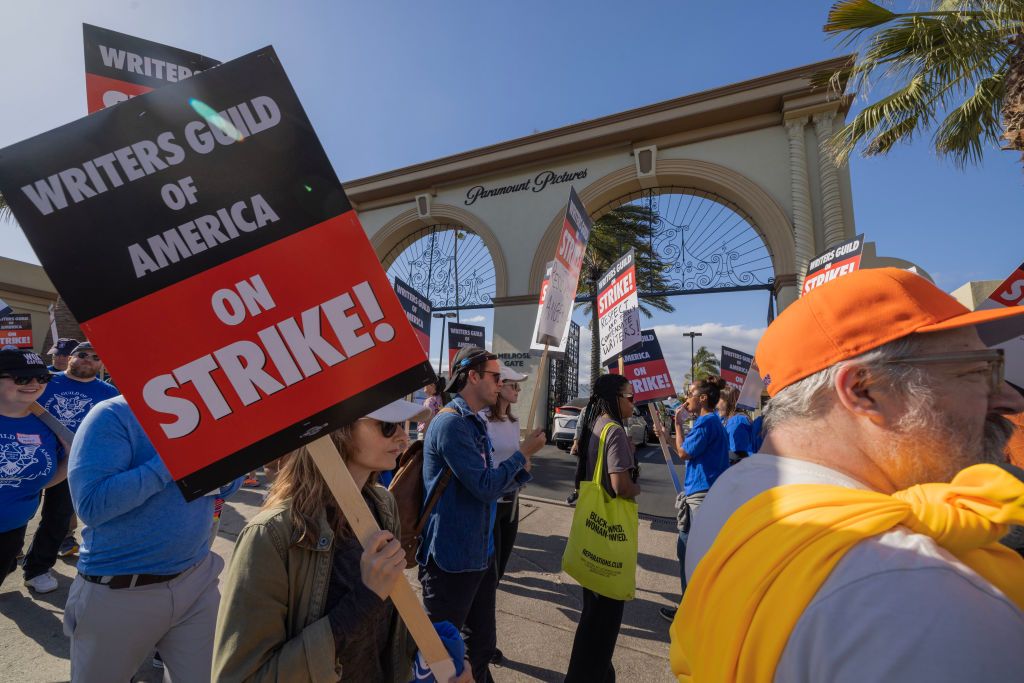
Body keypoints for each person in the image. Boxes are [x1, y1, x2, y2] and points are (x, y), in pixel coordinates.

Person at [670, 268, 1024, 681]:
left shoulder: (734, 494)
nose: (1010, 398)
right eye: (977, 372)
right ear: (863, 389)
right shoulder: (918, 598)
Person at [213, 399, 472, 682]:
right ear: (338, 430)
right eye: (387, 426)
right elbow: (242, 675)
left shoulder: (383, 505)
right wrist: (364, 598)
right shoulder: (271, 535)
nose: (402, 436)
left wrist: (435, 656)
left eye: (402, 424)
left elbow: (386, 623)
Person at [64, 396, 242, 682]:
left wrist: (226, 472)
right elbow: (93, 506)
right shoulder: (113, 414)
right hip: (119, 589)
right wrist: (172, 461)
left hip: (197, 580)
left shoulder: (214, 408)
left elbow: (226, 489)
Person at [419, 346, 545, 683]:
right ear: (473, 377)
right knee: (439, 654)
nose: (499, 383)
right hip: (451, 558)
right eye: (494, 377)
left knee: (482, 646)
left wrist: (519, 467)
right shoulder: (451, 424)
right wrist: (522, 455)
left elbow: (491, 483)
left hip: (480, 552)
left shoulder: (474, 423)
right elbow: (486, 486)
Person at [22, 341, 118, 593]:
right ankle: (10, 556)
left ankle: (37, 569)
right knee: (19, 513)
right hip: (30, 457)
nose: (88, 359)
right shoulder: (43, 381)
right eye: (82, 354)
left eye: (95, 357)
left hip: (73, 464)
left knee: (58, 517)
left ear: (102, 364)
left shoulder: (109, 395)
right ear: (70, 358)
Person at [565, 373, 640, 683]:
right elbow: (620, 485)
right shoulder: (616, 432)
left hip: (593, 536)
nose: (634, 403)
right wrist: (637, 486)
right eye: (630, 397)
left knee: (592, 618)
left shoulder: (596, 424)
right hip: (609, 539)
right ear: (614, 398)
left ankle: (599, 674)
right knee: (603, 625)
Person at [659, 376, 729, 623]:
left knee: (693, 554)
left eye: (689, 393)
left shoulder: (706, 422)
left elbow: (684, 452)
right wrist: (666, 436)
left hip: (701, 496)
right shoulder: (710, 423)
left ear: (702, 398)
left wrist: (677, 425)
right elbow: (687, 450)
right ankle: (691, 609)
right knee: (687, 551)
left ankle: (695, 613)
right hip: (701, 494)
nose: (685, 398)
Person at [0, 348, 66, 587]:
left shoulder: (48, 426)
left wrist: (70, 454)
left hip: (12, 529)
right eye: (22, 378)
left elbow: (44, 478)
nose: (34, 384)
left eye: (42, 377)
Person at [481, 361, 529, 665]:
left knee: (497, 575)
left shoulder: (513, 423)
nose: (517, 391)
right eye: (513, 386)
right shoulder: (480, 421)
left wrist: (526, 463)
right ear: (499, 388)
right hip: (488, 505)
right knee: (487, 576)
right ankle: (483, 641)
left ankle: (482, 635)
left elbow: (517, 462)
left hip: (511, 502)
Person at [717, 385, 752, 464]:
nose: (716, 405)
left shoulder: (736, 422)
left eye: (718, 400)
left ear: (728, 402)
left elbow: (737, 455)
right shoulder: (733, 419)